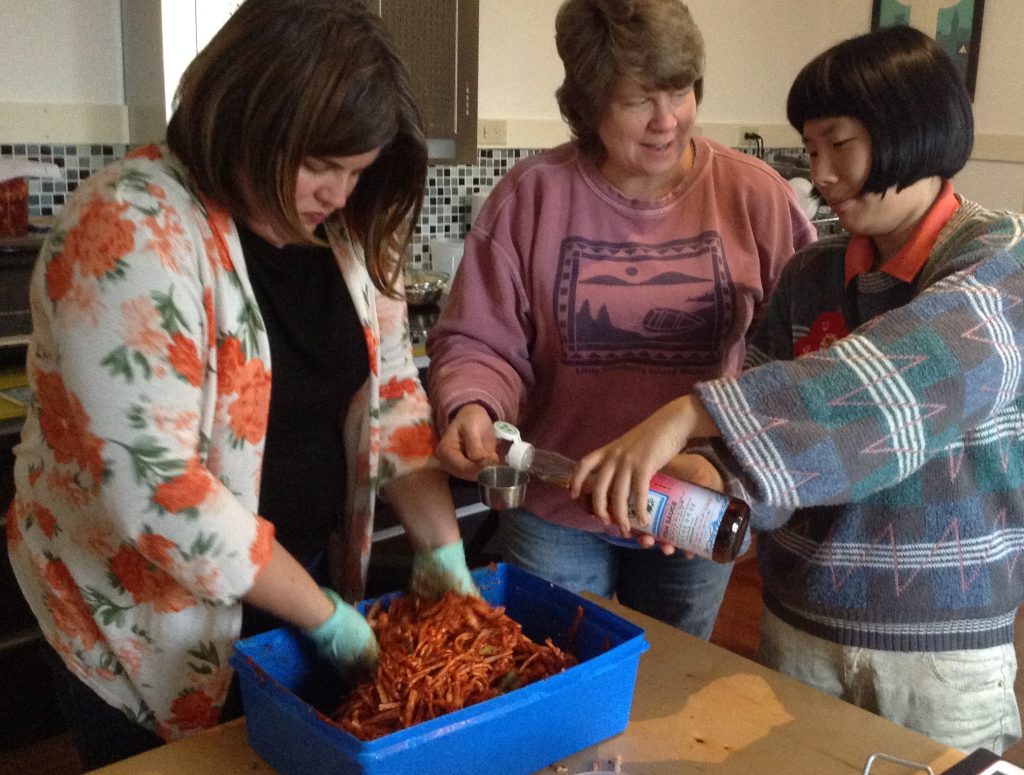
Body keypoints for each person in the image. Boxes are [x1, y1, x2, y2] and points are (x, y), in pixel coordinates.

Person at [5, 0, 476, 768]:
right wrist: (328, 620)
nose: (341, 196)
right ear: (250, 119)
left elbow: (389, 393)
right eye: (323, 166)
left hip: (292, 586)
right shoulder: (129, 227)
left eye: (357, 171)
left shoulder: (344, 234)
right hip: (140, 623)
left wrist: (443, 548)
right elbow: (158, 489)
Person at [574, 25, 1024, 754]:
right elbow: (765, 441)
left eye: (839, 144)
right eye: (811, 151)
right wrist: (705, 477)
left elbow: (906, 375)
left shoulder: (1000, 255)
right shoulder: (810, 277)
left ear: (913, 126)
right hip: (801, 627)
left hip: (942, 652)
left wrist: (692, 410)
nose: (823, 175)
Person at [426, 0, 816, 639]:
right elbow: (478, 339)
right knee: (552, 670)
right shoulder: (532, 196)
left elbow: (806, 352)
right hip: (557, 503)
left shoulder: (755, 195)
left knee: (669, 682)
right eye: (639, 100)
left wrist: (737, 468)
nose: (667, 121)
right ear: (589, 105)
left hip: (695, 501)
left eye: (680, 92)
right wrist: (471, 406)